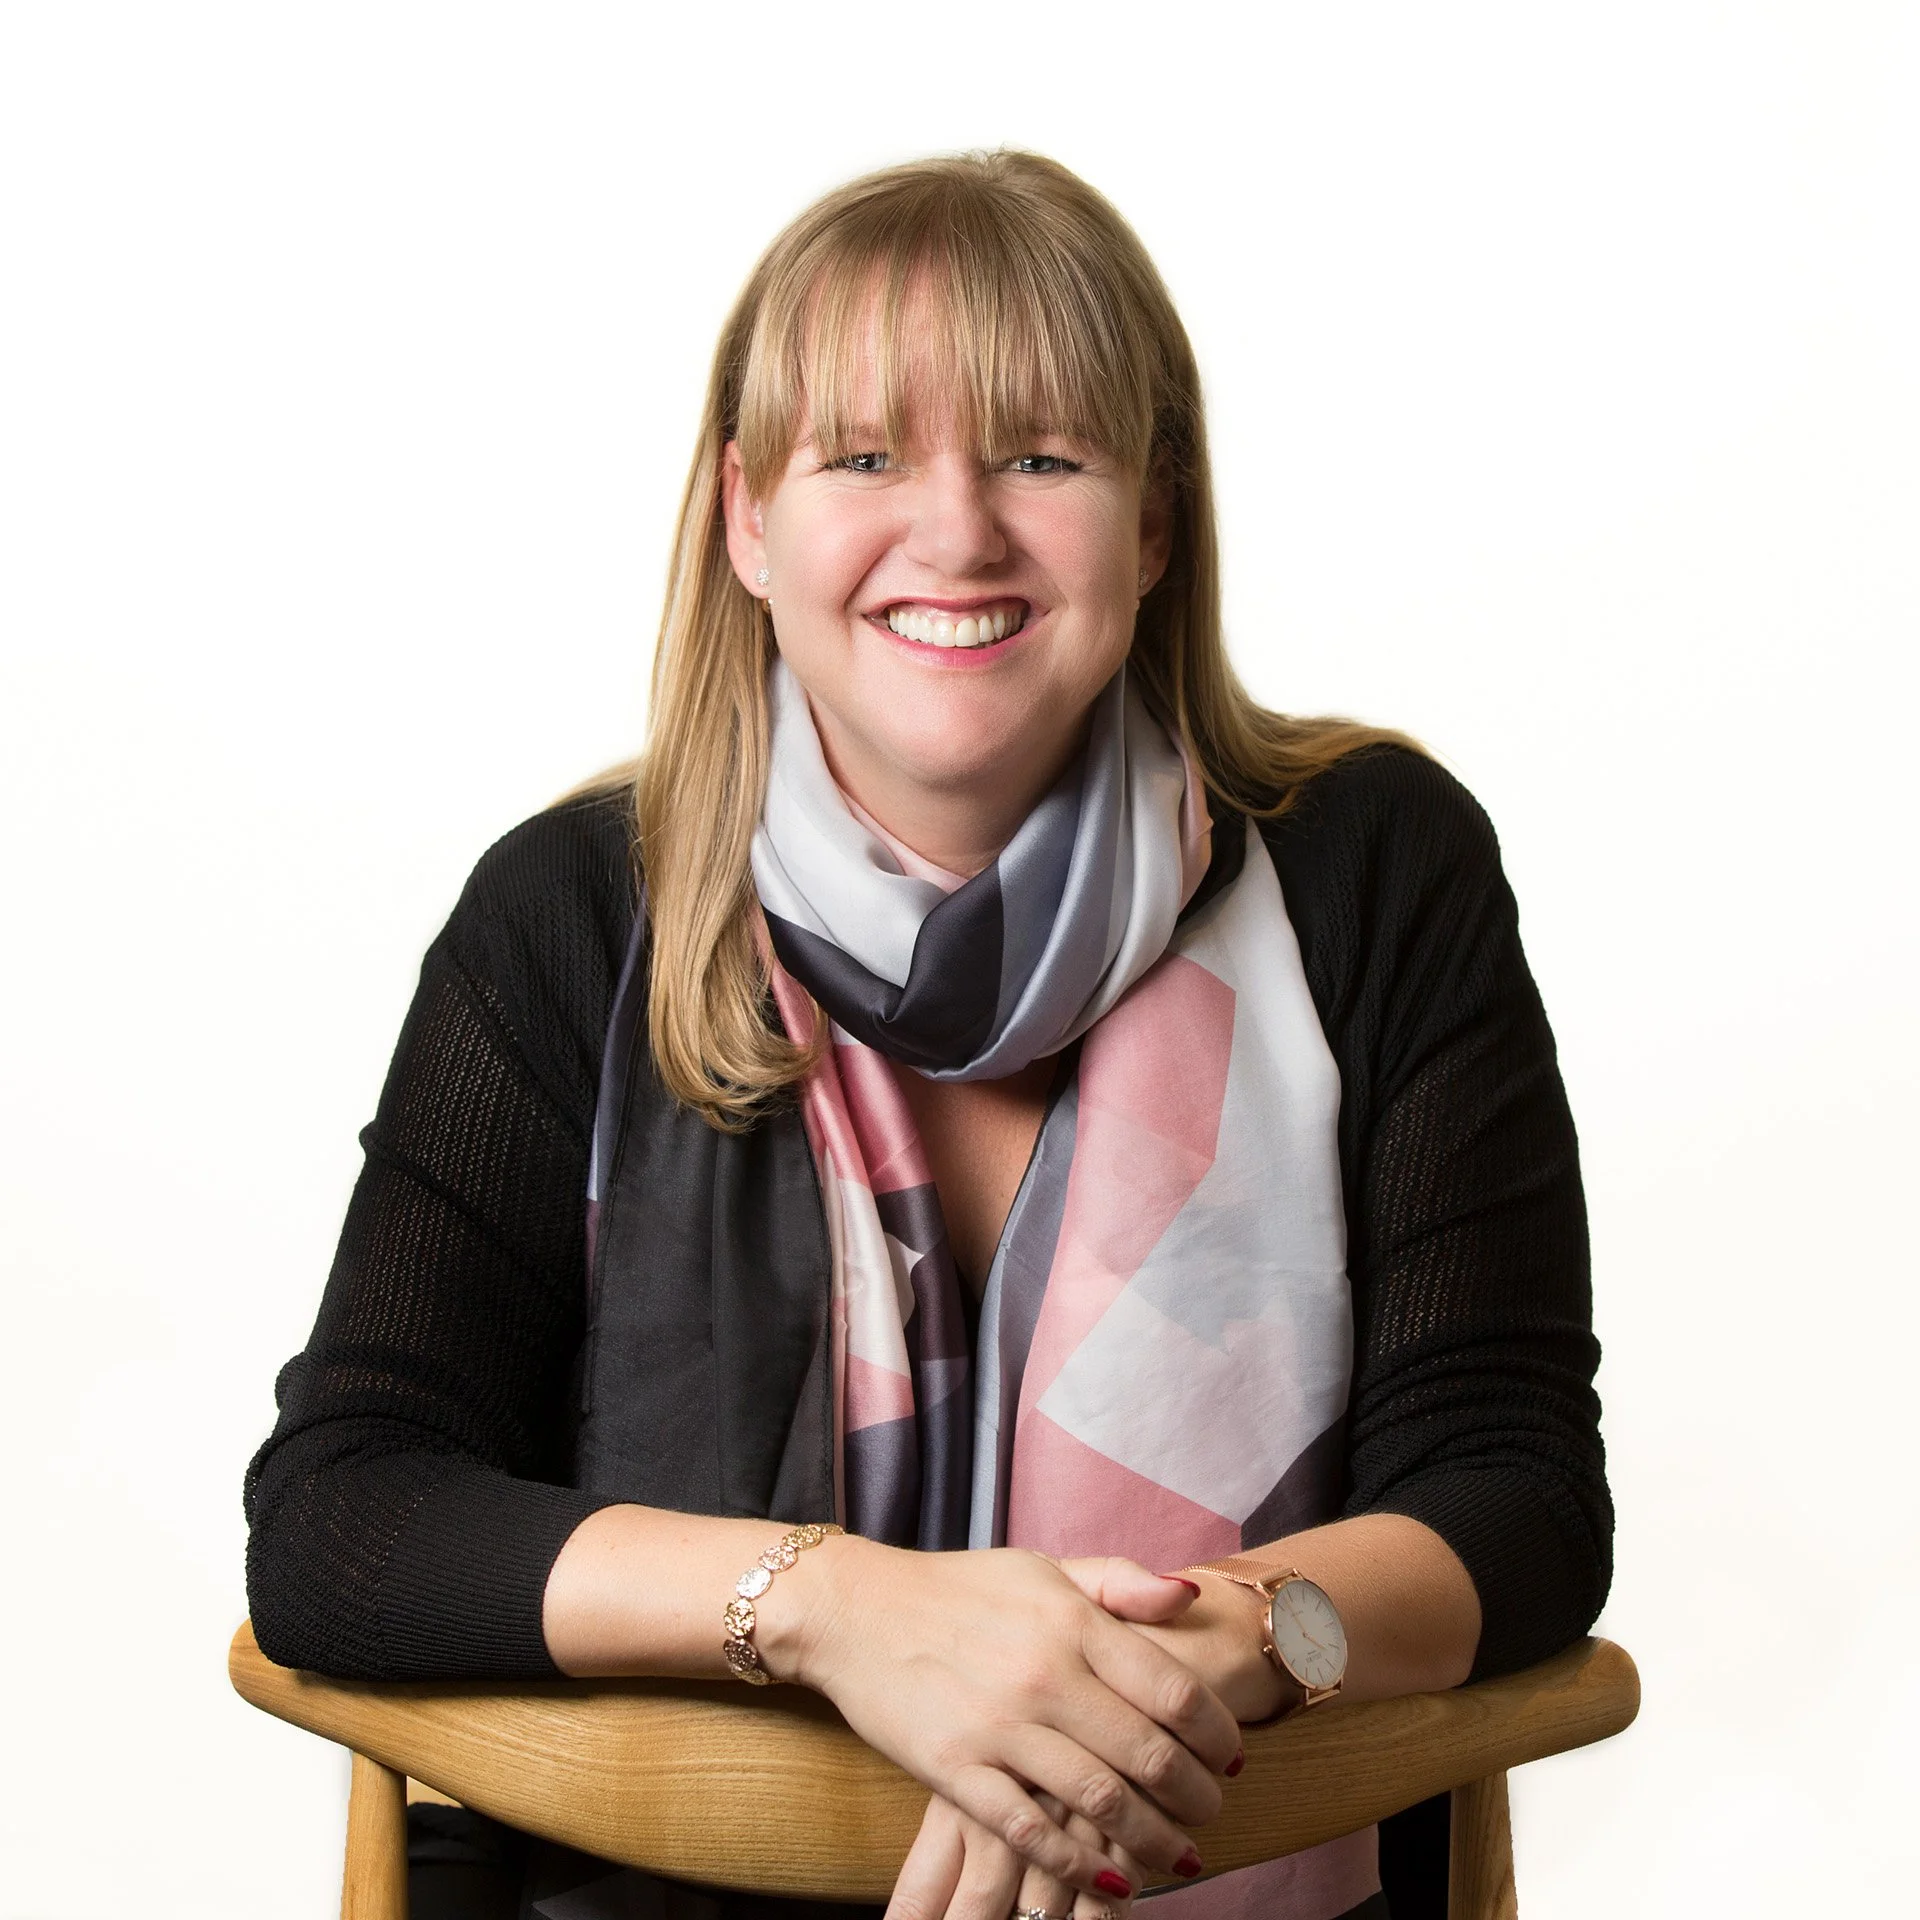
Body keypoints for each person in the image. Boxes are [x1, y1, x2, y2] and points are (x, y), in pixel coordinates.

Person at [245, 150, 1610, 1920]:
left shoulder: (1376, 873)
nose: (955, 532)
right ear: (747, 519)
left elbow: (1516, 1486)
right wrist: (838, 1609)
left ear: (1158, 518)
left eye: (1042, 456)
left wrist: (1183, 1660)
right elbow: (344, 1520)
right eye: (866, 456)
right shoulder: (572, 913)